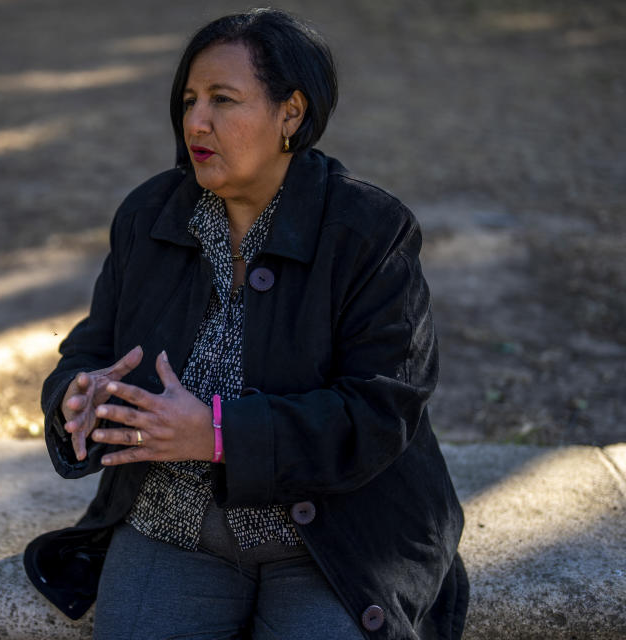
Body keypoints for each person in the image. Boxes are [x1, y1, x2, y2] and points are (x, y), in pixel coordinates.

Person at [24, 8, 468, 639]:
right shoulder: (150, 213)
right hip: (172, 524)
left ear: (291, 112)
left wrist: (219, 434)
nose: (196, 121)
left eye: (223, 100)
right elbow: (93, 347)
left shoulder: (370, 232)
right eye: (189, 100)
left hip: (332, 538)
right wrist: (78, 395)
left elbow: (381, 411)